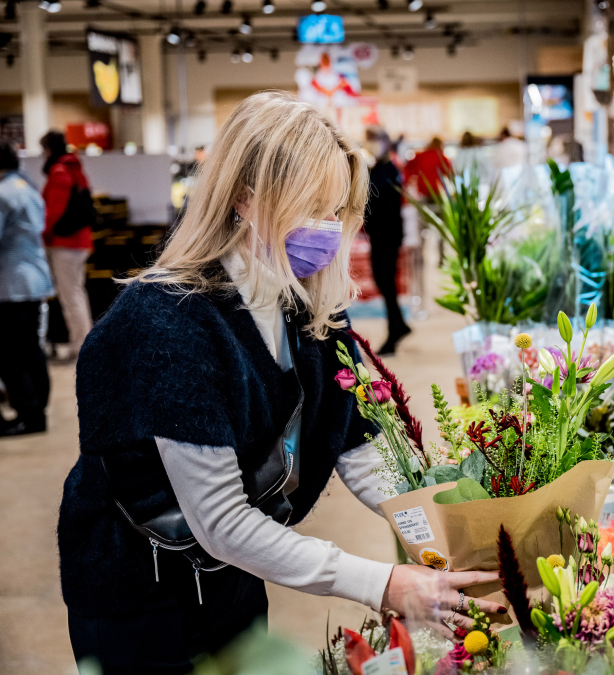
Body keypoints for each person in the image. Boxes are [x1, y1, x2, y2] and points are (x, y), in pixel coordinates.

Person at [57, 92, 499, 674]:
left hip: (231, 576)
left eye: (335, 210)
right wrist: (382, 582)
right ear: (244, 195)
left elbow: (362, 452)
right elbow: (221, 521)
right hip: (138, 591)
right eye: (307, 206)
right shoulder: (166, 323)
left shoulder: (308, 307)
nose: (324, 229)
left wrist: (460, 527)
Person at [0, 140, 53, 436]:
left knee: (10, 354)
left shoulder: (2, 193)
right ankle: (38, 409)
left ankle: (28, 414)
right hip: (33, 279)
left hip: (11, 284)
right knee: (31, 349)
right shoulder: (27, 188)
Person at [40, 131, 93, 359]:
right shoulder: (74, 168)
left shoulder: (60, 172)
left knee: (70, 296)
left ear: (49, 149)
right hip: (79, 242)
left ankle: (80, 345)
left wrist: (42, 234)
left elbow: (53, 212)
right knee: (76, 294)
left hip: (66, 244)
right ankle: (83, 342)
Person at [363, 127, 411, 355]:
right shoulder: (379, 168)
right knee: (383, 282)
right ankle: (398, 325)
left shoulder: (389, 170)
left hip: (387, 236)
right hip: (380, 235)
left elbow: (376, 194)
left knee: (386, 282)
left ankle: (396, 329)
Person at [403, 136, 452, 200]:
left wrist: (407, 181)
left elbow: (408, 168)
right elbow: (449, 173)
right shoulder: (441, 157)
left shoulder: (421, 156)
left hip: (423, 189)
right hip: (438, 190)